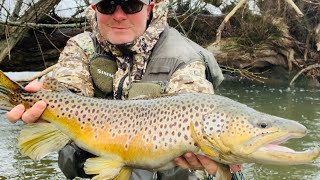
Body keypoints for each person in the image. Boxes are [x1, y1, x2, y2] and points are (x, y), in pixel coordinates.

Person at [6, 0, 243, 179]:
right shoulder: (81, 46)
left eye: (131, 5)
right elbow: (70, 90)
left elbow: (198, 109)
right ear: (95, 8)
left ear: (150, 7)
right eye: (108, 5)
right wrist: (42, 107)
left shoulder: (185, 58)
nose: (118, 15)